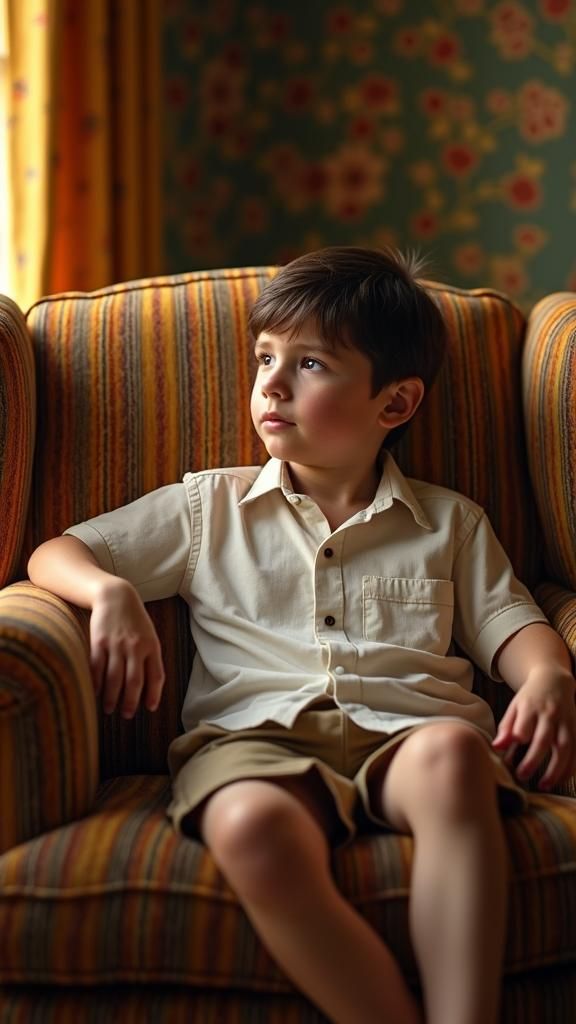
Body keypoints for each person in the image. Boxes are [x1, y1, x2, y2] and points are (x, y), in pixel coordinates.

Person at [28, 247, 576, 1024]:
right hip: (256, 740)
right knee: (250, 825)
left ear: (395, 404)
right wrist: (108, 590)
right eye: (264, 359)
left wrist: (549, 675)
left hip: (411, 733)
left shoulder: (450, 521)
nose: (271, 385)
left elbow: (509, 624)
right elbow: (57, 552)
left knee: (456, 757)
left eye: (310, 364)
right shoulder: (206, 509)